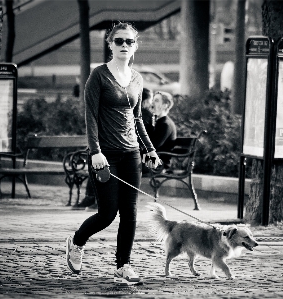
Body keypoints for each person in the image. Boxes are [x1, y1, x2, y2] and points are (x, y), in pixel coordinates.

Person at [65, 22, 161, 285]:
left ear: (136, 46)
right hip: (104, 155)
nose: (124, 46)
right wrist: (95, 151)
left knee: (130, 213)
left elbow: (138, 117)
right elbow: (91, 116)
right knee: (107, 214)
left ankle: (123, 266)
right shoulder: (98, 76)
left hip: (131, 154)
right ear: (110, 44)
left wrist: (149, 149)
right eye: (118, 41)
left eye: (129, 41)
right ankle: (76, 242)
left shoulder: (138, 79)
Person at [150, 91, 177, 169]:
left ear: (165, 105)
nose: (152, 103)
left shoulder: (165, 124)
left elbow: (153, 146)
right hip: (153, 159)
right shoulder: (160, 122)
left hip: (159, 164)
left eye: (156, 101)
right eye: (153, 100)